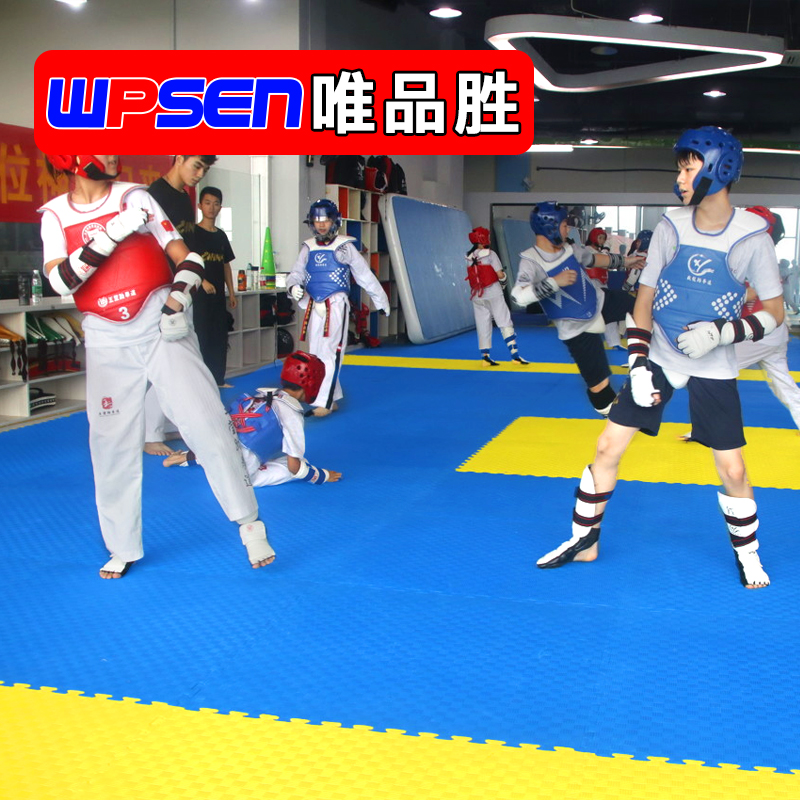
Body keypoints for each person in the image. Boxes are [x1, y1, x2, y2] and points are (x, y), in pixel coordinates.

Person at [535, 127, 784, 589]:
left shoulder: (753, 236)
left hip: (714, 361)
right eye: (680, 169)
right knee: (607, 446)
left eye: (689, 169)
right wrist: (637, 364)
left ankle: (748, 554)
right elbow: (644, 300)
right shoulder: (672, 224)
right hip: (661, 353)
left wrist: (721, 332)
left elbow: (774, 311)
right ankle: (584, 541)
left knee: (733, 468)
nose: (680, 179)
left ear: (719, 169)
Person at [39, 154, 274, 578]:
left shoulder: (135, 197)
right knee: (110, 447)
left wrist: (178, 298)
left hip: (159, 323)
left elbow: (189, 258)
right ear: (72, 155)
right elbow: (59, 282)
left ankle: (249, 523)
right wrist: (112, 233)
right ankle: (122, 546)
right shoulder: (55, 215)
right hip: (105, 336)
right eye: (102, 145)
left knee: (207, 422)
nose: (113, 154)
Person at [510, 202, 645, 416]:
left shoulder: (570, 249)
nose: (568, 230)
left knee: (642, 307)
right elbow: (518, 296)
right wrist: (554, 282)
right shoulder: (531, 261)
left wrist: (626, 261)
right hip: (575, 328)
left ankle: (651, 360)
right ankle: (617, 419)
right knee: (601, 389)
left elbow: (594, 259)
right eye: (564, 225)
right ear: (550, 227)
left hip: (600, 301)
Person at [681, 206, 800, 437]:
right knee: (782, 383)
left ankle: (707, 429)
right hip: (769, 332)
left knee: (706, 370)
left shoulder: (757, 257)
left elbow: (754, 293)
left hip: (759, 332)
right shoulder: (758, 255)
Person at [164, 351, 342, 485]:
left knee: (231, 444)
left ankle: (185, 457)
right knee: (300, 465)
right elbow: (294, 468)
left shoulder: (262, 395)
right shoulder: (292, 413)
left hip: (212, 451)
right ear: (310, 385)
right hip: (236, 476)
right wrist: (322, 476)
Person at [286, 199, 390, 416]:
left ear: (334, 221)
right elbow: (296, 273)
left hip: (336, 304)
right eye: (317, 220)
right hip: (314, 304)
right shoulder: (308, 248)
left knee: (332, 352)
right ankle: (328, 397)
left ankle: (324, 402)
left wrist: (381, 301)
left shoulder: (345, 247)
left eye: (325, 220)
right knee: (316, 353)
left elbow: (364, 275)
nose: (321, 224)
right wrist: (293, 287)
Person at [144, 155, 218, 455]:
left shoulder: (184, 198)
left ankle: (167, 424)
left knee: (186, 361)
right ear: (178, 158)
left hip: (183, 287)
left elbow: (187, 249)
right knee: (166, 363)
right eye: (196, 166)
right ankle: (150, 434)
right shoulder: (154, 196)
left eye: (205, 169)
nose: (199, 174)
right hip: (161, 291)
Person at [192, 187, 237, 388]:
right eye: (207, 203)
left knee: (219, 337)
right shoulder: (193, 233)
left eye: (216, 203)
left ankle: (218, 379)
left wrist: (231, 292)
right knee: (202, 337)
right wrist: (202, 280)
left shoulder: (221, 236)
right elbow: (186, 262)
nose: (211, 207)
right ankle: (201, 381)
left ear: (220, 207)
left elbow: (226, 264)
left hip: (218, 296)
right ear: (200, 206)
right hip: (199, 296)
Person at [464, 226, 528, 366]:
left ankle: (485, 358)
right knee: (504, 322)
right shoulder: (490, 254)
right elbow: (499, 274)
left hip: (477, 296)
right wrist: (504, 280)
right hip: (493, 292)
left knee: (482, 325)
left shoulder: (468, 257)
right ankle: (515, 356)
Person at [584, 227, 624, 350]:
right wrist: (606, 251)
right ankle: (583, 341)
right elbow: (601, 261)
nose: (601, 241)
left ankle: (614, 341)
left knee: (608, 311)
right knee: (589, 314)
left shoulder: (600, 251)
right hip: (590, 285)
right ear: (593, 238)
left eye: (603, 239)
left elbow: (608, 263)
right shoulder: (586, 250)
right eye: (600, 238)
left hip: (602, 284)